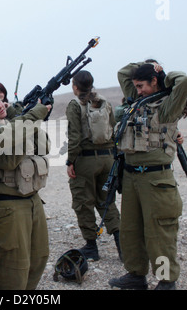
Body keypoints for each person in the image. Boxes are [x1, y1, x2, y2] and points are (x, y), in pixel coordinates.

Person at [109, 61, 187, 290]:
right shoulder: (137, 102)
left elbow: (184, 81)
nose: (137, 90)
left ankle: (167, 281)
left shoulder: (167, 106)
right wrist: (146, 64)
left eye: (142, 86)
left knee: (160, 234)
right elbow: (122, 72)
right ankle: (136, 275)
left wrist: (162, 72)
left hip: (156, 180)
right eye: (135, 86)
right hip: (131, 177)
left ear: (154, 82)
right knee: (131, 230)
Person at [0, 89, 51, 290]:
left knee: (40, 256)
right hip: (8, 205)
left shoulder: (13, 124)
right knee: (15, 264)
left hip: (32, 199)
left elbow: (44, 147)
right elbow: (8, 160)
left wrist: (29, 121)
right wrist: (27, 122)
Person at [65, 70, 121, 261]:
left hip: (86, 160)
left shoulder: (75, 105)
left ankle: (91, 247)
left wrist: (70, 161)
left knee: (83, 203)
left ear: (75, 87)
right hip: (108, 158)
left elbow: (74, 137)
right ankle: (122, 247)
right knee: (107, 201)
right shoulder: (104, 102)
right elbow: (114, 128)